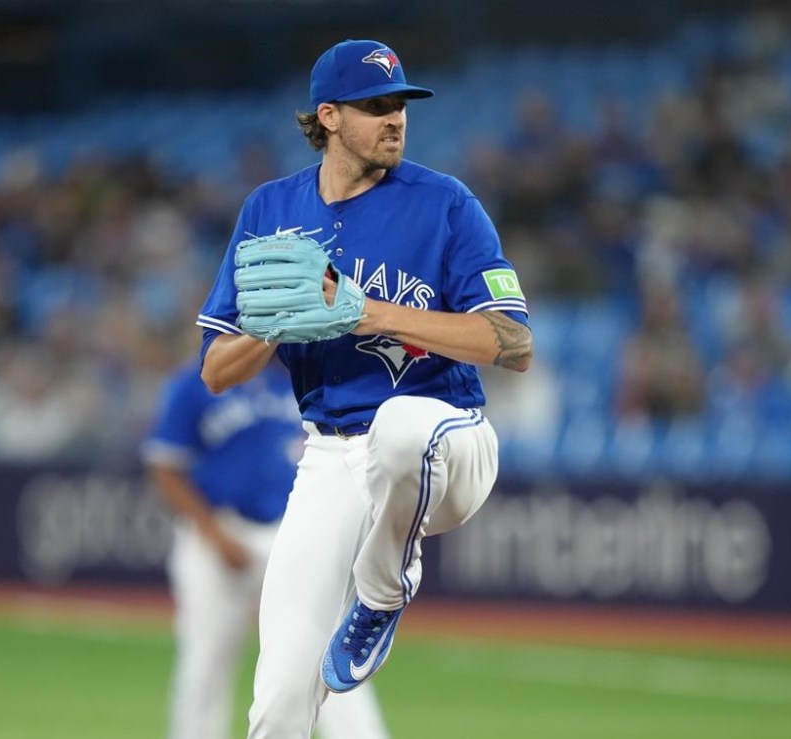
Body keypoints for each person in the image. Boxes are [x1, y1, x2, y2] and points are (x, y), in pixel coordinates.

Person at [196, 39, 533, 739]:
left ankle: (382, 593)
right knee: (282, 693)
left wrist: (361, 309)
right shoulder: (269, 209)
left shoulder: (445, 203)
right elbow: (216, 370)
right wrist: (276, 324)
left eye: (401, 105)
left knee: (402, 426)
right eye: (377, 106)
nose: (396, 119)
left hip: (451, 441)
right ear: (329, 116)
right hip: (329, 459)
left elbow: (513, 342)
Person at [143, 357, 391, 739]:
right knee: (205, 666)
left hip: (288, 533)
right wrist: (215, 536)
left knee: (326, 654)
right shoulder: (196, 382)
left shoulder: (300, 379)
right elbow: (165, 467)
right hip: (217, 535)